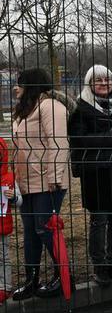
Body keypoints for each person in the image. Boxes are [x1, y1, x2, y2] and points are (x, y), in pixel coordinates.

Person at [68, 65, 112, 287]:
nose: (103, 83)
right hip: (95, 173)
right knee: (99, 220)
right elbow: (79, 139)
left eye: (107, 80)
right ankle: (99, 266)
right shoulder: (80, 108)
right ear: (90, 83)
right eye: (98, 80)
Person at [9, 68, 73, 301]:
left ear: (32, 86)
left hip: (48, 181)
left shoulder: (50, 107)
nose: (16, 88)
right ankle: (31, 280)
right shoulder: (26, 109)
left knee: (45, 229)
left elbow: (58, 143)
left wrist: (55, 176)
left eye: (21, 84)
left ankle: (64, 277)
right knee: (30, 232)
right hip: (27, 181)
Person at [0, 135, 16, 301]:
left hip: (3, 226)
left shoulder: (9, 178)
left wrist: (13, 197)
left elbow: (19, 201)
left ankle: (5, 286)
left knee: (3, 257)